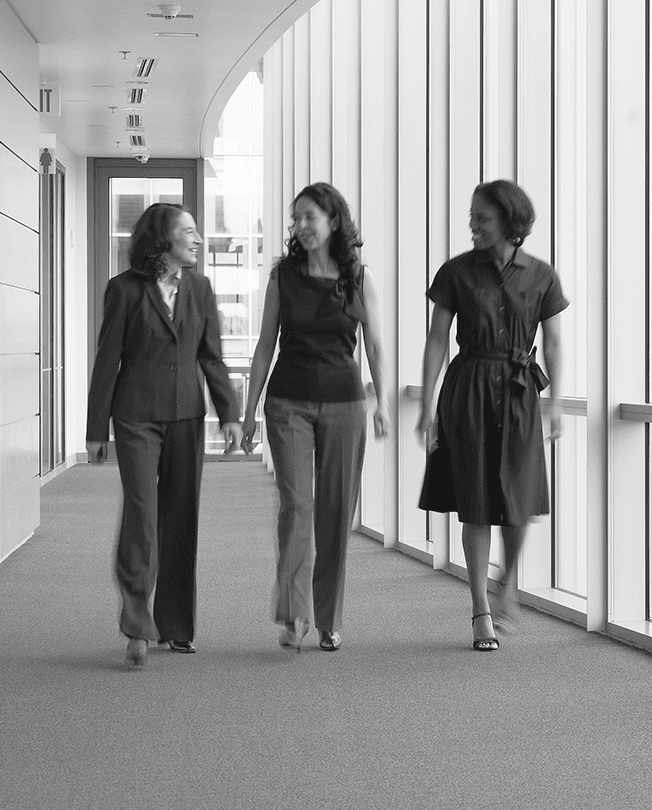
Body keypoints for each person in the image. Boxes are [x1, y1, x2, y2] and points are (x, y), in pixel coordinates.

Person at [86, 202, 243, 668]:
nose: (197, 239)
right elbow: (107, 359)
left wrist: (229, 415)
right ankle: (137, 622)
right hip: (134, 416)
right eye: (188, 232)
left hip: (186, 416)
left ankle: (175, 626)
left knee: (180, 515)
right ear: (163, 239)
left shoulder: (200, 287)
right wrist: (96, 429)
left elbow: (211, 356)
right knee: (142, 513)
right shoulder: (125, 289)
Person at [416, 179, 566, 651]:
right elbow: (437, 339)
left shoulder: (541, 275)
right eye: (472, 217)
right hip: (469, 389)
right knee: (477, 500)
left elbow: (556, 340)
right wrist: (426, 405)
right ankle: (481, 607)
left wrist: (557, 401)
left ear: (509, 222)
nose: (473, 226)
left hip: (520, 391)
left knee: (518, 501)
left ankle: (509, 583)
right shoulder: (456, 272)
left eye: (482, 218)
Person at [241, 182, 390, 653]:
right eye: (296, 218)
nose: (301, 226)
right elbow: (265, 346)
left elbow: (375, 345)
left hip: (346, 404)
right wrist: (248, 413)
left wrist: (382, 401)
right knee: (297, 507)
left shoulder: (358, 278)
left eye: (310, 217)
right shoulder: (282, 277)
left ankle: (328, 618)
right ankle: (294, 613)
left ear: (333, 221)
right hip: (288, 402)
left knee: (335, 511)